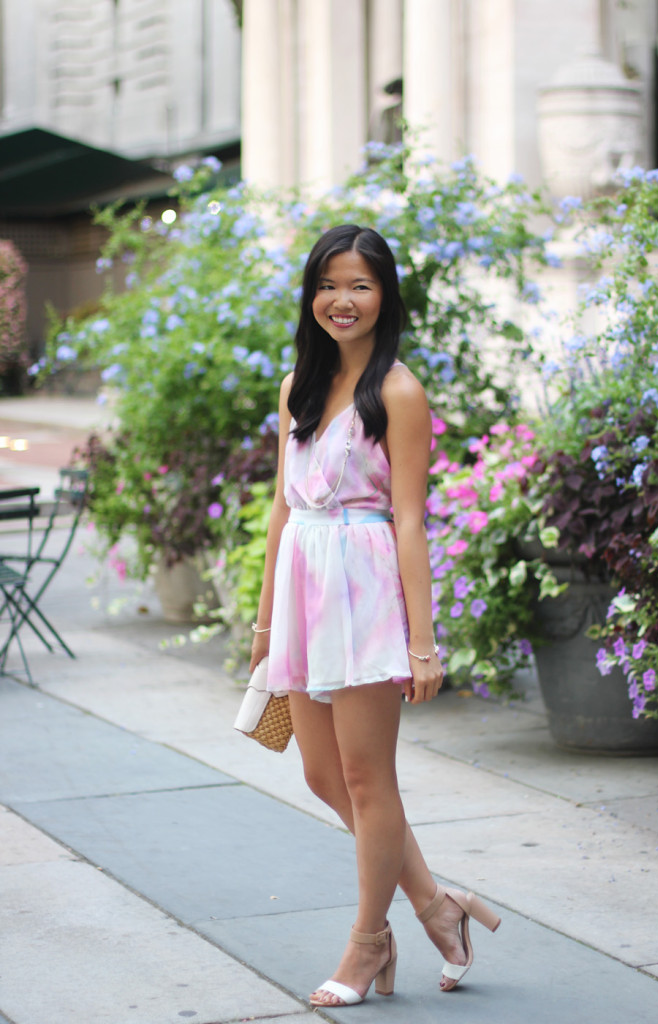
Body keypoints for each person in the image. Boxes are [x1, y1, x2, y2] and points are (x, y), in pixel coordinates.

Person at [250, 224, 501, 1008]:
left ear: (384, 293)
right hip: (302, 594)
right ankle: (435, 904)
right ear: (311, 295)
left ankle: (367, 946)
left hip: (363, 597)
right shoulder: (297, 386)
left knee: (366, 778)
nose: (342, 299)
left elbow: (408, 520)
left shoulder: (397, 391)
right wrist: (263, 629)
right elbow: (281, 512)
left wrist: (421, 644)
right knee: (322, 774)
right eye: (329, 284)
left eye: (359, 284)